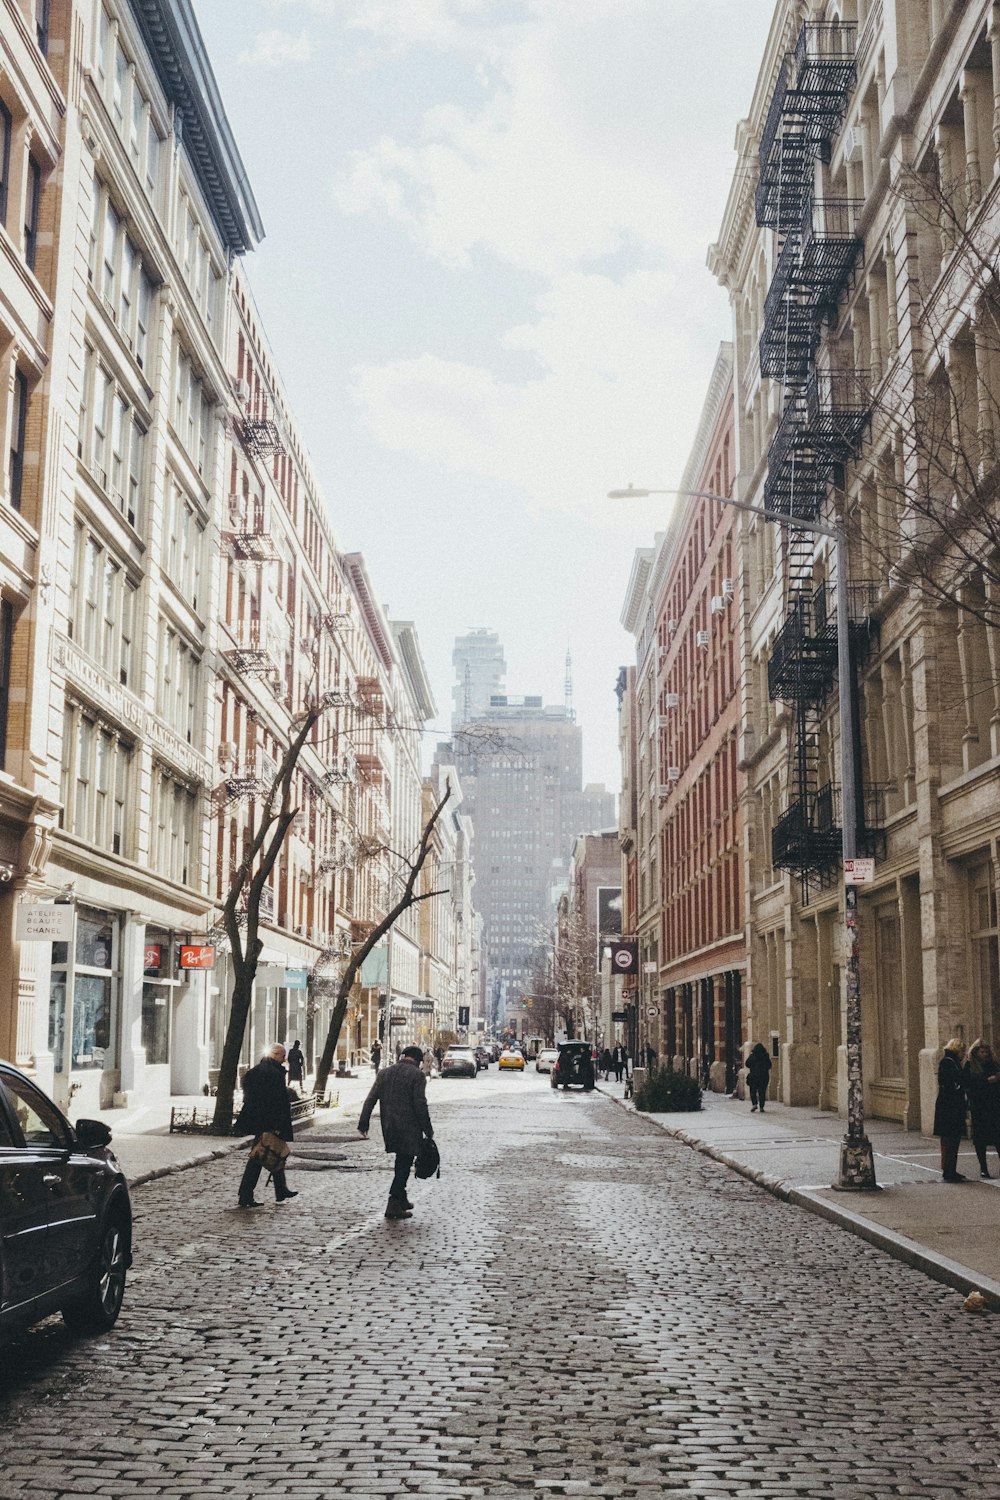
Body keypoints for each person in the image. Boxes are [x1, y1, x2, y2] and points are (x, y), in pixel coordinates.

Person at [358, 1044, 434, 1220]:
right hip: (409, 1127)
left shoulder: (384, 1072)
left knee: (403, 1161)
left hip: (389, 1126)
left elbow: (371, 1099)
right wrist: (428, 1130)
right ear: (418, 1060)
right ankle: (393, 1203)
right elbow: (420, 1105)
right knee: (403, 1164)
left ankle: (401, 1198)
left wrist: (363, 1123)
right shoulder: (417, 1076)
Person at [234, 1043, 297, 1208]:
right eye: (283, 1056)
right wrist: (276, 1125)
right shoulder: (273, 1073)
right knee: (260, 1157)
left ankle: (280, 1190)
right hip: (268, 1122)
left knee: (274, 1153)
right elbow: (275, 1102)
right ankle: (246, 1194)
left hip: (259, 1120)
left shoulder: (257, 1070)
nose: (285, 1060)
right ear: (275, 1055)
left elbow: (248, 1095)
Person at [933, 1037, 968, 1182]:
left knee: (953, 1139)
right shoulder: (948, 1062)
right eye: (962, 1050)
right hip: (949, 1107)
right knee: (950, 1139)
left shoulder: (952, 1062)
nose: (963, 1053)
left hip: (950, 1106)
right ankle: (948, 1170)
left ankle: (951, 1169)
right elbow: (950, 1083)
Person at [964, 1039, 1000, 1179]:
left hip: (994, 1105)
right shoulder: (970, 1066)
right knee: (981, 1139)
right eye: (981, 1051)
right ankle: (983, 1168)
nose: (984, 1054)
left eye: (986, 1051)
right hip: (979, 1107)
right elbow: (968, 1084)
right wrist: (986, 1081)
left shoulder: (993, 1064)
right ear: (975, 1052)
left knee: (997, 1137)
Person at [746, 1042, 772, 1113]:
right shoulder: (765, 1056)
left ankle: (754, 1104)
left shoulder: (753, 1056)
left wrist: (753, 1067)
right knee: (762, 1092)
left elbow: (747, 1063)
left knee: (753, 1091)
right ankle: (761, 1107)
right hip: (763, 1077)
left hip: (754, 1077)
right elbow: (769, 1065)